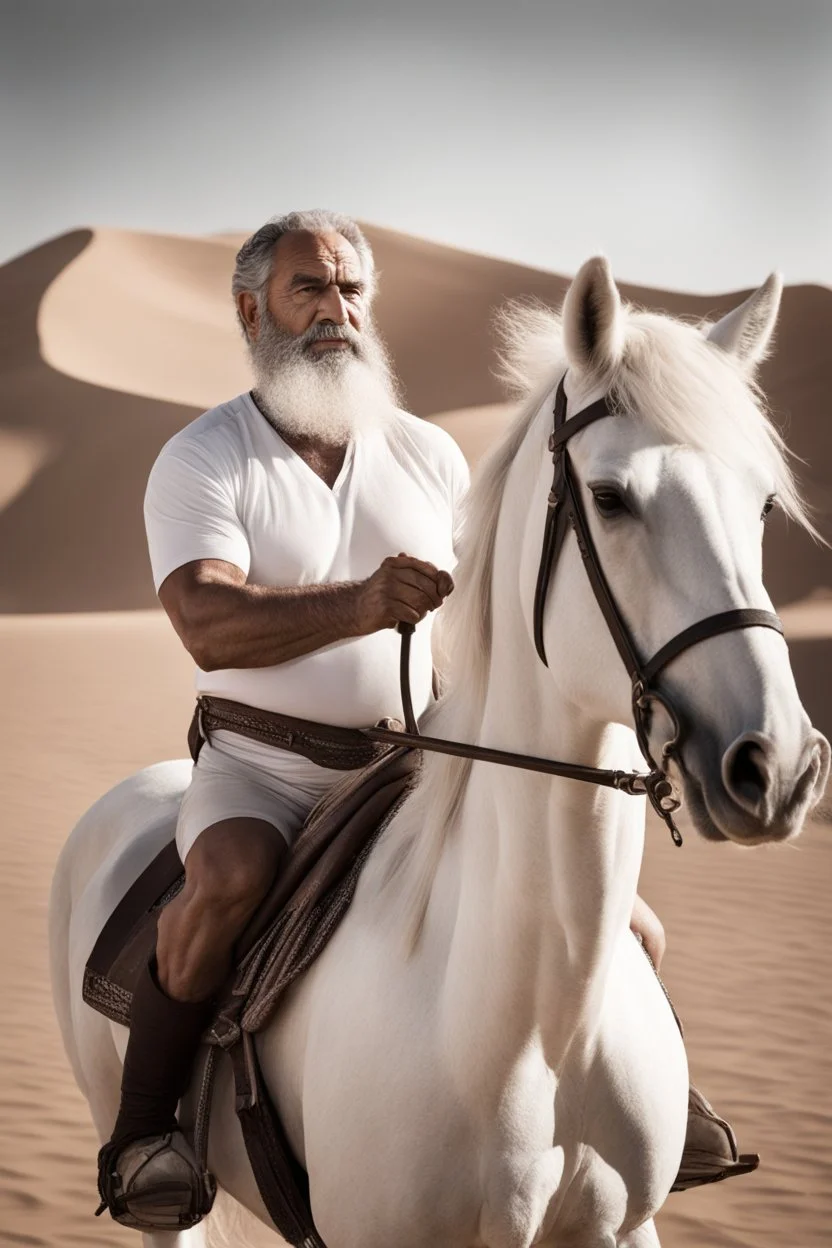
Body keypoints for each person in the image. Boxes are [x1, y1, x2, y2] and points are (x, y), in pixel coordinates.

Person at [96, 210, 754, 1231]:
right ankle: (147, 1134)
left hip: (416, 760)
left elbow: (490, 626)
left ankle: (649, 1102)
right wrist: (362, 603)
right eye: (308, 290)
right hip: (263, 769)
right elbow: (205, 621)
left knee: (626, 918)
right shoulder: (204, 458)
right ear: (252, 312)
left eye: (351, 290)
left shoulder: (430, 455)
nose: (335, 312)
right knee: (225, 876)